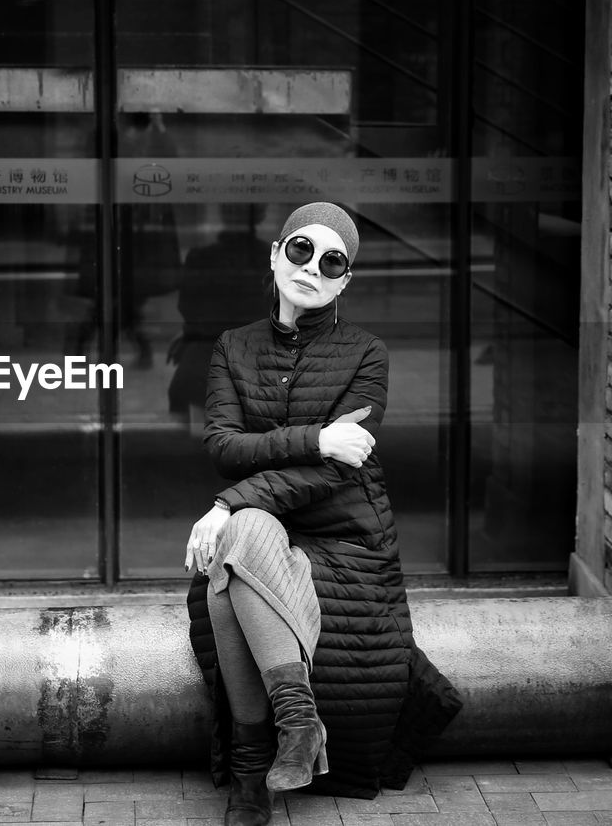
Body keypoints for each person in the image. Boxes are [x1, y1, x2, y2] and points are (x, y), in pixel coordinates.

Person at [183, 202, 462, 822]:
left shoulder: (367, 353)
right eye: (301, 250)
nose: (311, 268)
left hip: (347, 537)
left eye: (331, 260)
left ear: (344, 279)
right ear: (276, 253)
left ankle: (250, 773)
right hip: (266, 523)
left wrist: (229, 503)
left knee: (230, 566)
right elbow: (225, 448)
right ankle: (298, 726)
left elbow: (341, 466)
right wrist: (315, 438)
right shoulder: (234, 347)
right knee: (248, 535)